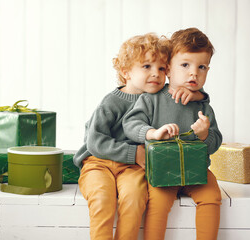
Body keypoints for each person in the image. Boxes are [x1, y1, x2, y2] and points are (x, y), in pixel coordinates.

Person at [73, 33, 206, 240]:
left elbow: (195, 94)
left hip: (133, 168)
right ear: (126, 72)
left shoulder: (159, 98)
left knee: (135, 199)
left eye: (161, 68)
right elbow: (94, 141)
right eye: (146, 67)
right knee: (102, 199)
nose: (156, 74)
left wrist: (199, 95)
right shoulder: (112, 102)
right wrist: (133, 152)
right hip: (98, 162)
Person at [122, 28, 222, 240]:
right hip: (163, 172)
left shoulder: (203, 105)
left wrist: (205, 135)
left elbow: (216, 141)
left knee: (212, 197)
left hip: (196, 172)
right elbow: (130, 123)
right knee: (157, 204)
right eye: (185, 65)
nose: (194, 72)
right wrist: (152, 133)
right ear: (168, 69)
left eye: (201, 67)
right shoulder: (152, 99)